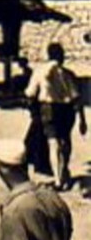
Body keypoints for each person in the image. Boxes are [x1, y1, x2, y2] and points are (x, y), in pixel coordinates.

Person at [25, 43, 87, 191]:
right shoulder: (68, 74)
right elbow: (76, 98)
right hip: (66, 110)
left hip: (48, 108)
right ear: (61, 55)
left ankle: (58, 179)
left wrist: (33, 111)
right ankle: (64, 171)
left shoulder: (40, 72)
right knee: (65, 142)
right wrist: (83, 120)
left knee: (53, 144)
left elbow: (30, 93)